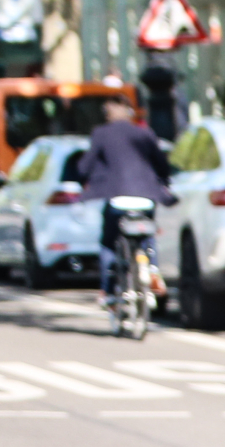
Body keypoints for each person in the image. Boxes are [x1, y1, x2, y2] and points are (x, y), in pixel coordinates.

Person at [77, 95, 173, 302]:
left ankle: (109, 291)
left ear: (107, 114)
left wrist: (85, 180)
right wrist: (164, 183)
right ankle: (152, 269)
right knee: (147, 232)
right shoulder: (144, 133)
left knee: (108, 242)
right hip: (146, 196)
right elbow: (162, 165)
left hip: (117, 199)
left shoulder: (101, 134)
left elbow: (84, 167)